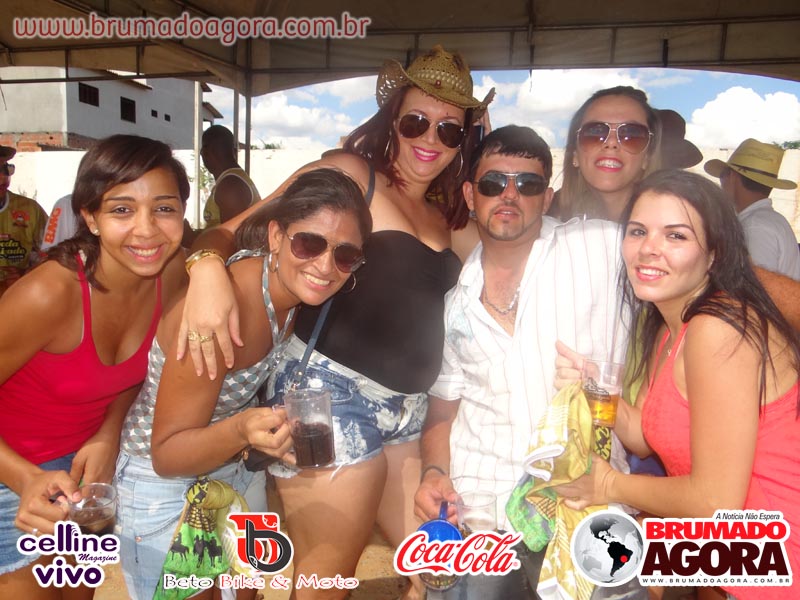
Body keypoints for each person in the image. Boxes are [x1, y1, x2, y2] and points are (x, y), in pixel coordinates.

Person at [178, 45, 493, 599]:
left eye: (450, 129)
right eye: (416, 121)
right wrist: (205, 268)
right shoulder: (354, 176)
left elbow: (515, 248)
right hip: (329, 399)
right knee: (328, 583)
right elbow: (230, 229)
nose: (430, 139)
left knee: (441, 574)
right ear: (392, 119)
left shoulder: (450, 217)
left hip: (409, 413)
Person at [115, 168, 371, 600]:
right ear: (276, 236)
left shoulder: (292, 296)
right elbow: (166, 454)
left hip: (233, 467)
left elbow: (217, 237)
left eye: (346, 255)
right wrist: (241, 430)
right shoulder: (223, 312)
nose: (326, 266)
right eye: (309, 244)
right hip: (166, 484)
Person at [554, 170, 800, 600]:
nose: (649, 248)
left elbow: (715, 501)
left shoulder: (718, 328)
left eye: (676, 236)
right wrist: (594, 388)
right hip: (734, 556)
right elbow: (645, 436)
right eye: (638, 231)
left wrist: (606, 485)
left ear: (714, 255)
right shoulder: (671, 327)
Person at [413, 125, 628, 599]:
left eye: (527, 184)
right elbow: (443, 409)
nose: (509, 194)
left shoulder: (599, 249)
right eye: (494, 183)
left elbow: (691, 257)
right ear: (470, 195)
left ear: (547, 198)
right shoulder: (454, 304)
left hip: (583, 510)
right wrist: (433, 473)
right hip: (480, 515)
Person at [0, 134, 188, 597]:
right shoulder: (50, 294)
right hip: (13, 475)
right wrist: (24, 477)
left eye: (164, 208)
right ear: (90, 218)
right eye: (122, 209)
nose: (147, 230)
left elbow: (129, 375)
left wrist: (108, 432)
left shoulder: (171, 273)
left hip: (90, 475)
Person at [551, 86, 661, 222]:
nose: (611, 142)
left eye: (631, 133)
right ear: (575, 154)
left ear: (647, 157)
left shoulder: (672, 222)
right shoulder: (556, 226)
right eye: (595, 132)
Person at [704, 138, 800, 280]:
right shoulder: (767, 220)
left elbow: (759, 286)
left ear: (732, 176)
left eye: (722, 174)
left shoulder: (755, 226)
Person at [183, 125, 261, 246]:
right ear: (234, 151)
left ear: (204, 153)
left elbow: (230, 241)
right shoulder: (231, 181)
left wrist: (190, 239)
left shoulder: (230, 186)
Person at [0, 145, 48, 296]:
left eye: (5, 169)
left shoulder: (30, 209)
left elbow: (54, 253)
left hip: (19, 299)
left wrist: (27, 273)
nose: (2, 177)